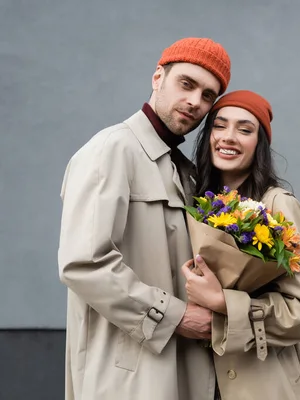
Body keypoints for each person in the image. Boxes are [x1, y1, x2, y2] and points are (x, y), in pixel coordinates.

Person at [57, 37, 231, 400]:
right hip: (126, 376)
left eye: (207, 96)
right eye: (186, 84)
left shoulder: (186, 171)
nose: (195, 102)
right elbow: (84, 264)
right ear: (157, 78)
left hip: (182, 369)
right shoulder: (111, 151)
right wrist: (177, 317)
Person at [182, 90, 300, 399]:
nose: (229, 137)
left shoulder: (278, 205)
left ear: (259, 144)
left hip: (267, 383)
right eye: (219, 126)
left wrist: (222, 302)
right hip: (204, 379)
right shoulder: (195, 204)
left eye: (245, 130)